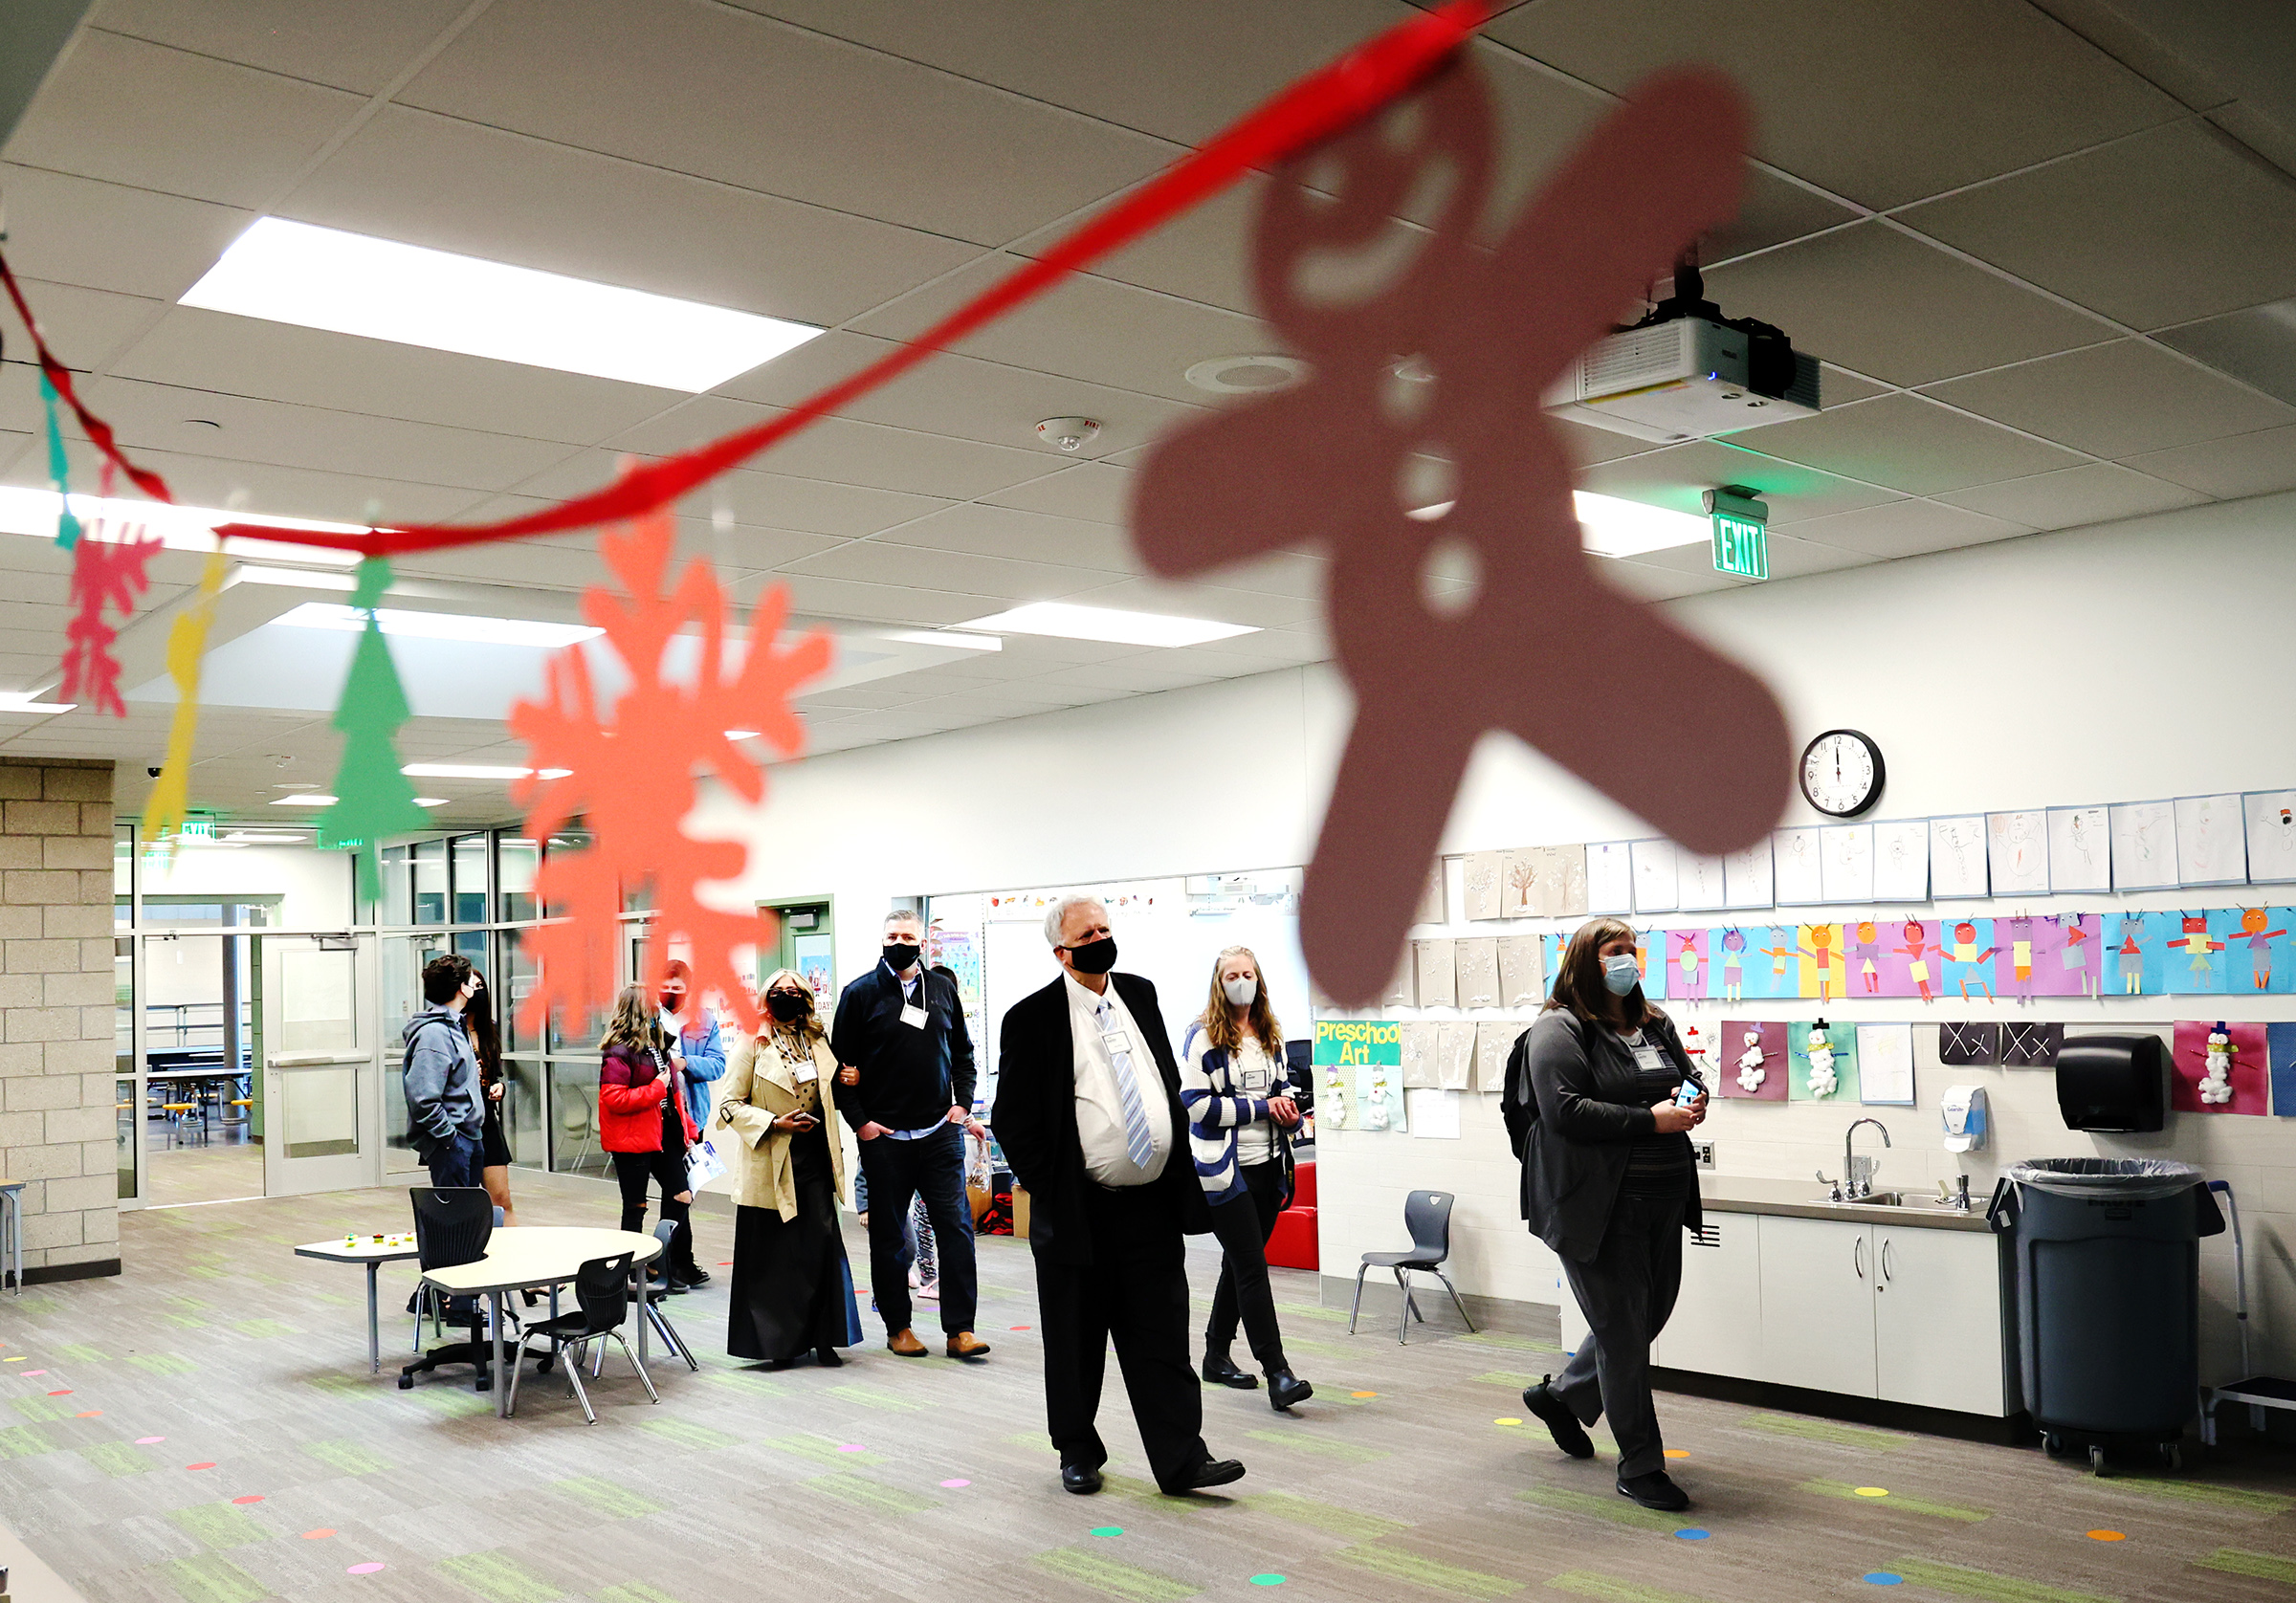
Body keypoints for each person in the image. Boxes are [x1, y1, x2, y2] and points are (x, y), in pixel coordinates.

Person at [992, 895, 1245, 1498]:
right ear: (1061, 951)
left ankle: (1181, 1459)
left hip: (1151, 1207)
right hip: (1080, 1210)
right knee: (1076, 1342)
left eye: (1107, 927)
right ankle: (1077, 1451)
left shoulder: (1141, 993)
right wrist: (1051, 1187)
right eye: (1088, 932)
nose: (1102, 938)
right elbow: (1013, 1120)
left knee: (1162, 1337)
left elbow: (1161, 1079)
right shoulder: (1031, 1018)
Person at [1508, 916, 1709, 1512]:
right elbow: (1565, 1110)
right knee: (1624, 1336)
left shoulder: (1655, 1023)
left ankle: (1562, 1396)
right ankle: (1641, 1466)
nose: (1628, 962)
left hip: (1661, 1196)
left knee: (1646, 1317)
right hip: (1594, 1205)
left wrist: (1694, 1100)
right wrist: (1653, 1120)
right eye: (1614, 952)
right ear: (1583, 962)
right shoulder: (1558, 1029)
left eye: (1632, 952)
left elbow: (1689, 1078)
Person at [831, 911, 989, 1361]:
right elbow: (839, 1069)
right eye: (891, 936)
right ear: (882, 941)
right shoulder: (859, 994)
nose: (899, 942)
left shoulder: (942, 990)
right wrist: (861, 1123)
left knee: (956, 1230)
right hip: (886, 1141)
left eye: (908, 937)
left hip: (940, 1133)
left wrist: (963, 1103)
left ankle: (961, 1329)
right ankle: (898, 1326)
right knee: (889, 1237)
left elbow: (963, 1051)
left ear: (922, 944)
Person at [1180, 946, 1312, 1411]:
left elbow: (1284, 1090)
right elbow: (1196, 1105)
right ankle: (1277, 1371)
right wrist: (1260, 1108)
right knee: (1253, 1267)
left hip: (1270, 1168)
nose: (1241, 981)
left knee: (1238, 1263)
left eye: (1248, 974)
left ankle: (1215, 1355)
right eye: (1232, 975)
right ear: (1219, 983)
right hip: (1223, 1172)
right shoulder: (1202, 1038)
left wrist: (1291, 1114)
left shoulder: (1270, 1032)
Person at [718, 969, 861, 1368]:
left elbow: (836, 1082)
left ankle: (824, 1337)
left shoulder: (816, 1038)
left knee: (821, 1248)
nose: (787, 997)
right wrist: (774, 1123)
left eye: (794, 991)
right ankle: (778, 1344)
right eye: (779, 992)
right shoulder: (752, 1041)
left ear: (807, 998)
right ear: (766, 998)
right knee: (775, 1256)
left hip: (815, 1156)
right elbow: (729, 1106)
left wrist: (852, 1078)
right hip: (771, 1157)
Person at [598, 984, 704, 1290]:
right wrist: (656, 1088)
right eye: (651, 1009)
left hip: (664, 1133)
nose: (658, 1012)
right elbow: (614, 1099)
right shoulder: (618, 1051)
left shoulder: (658, 1046)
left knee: (681, 1194)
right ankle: (625, 1273)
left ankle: (662, 1265)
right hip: (632, 1140)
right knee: (635, 1207)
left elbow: (674, 1094)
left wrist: (688, 1128)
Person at [404, 953, 485, 1190]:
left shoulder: (456, 1025)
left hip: (469, 1135)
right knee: (454, 1219)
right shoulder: (434, 1034)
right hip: (453, 1140)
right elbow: (423, 1099)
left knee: (469, 1215)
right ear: (462, 988)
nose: (476, 987)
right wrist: (450, 1138)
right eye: (472, 982)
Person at [659, 960, 728, 1230]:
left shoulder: (704, 1020)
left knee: (687, 1189)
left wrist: (686, 1063)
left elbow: (717, 1065)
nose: (671, 992)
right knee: (675, 1190)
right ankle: (668, 1259)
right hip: (659, 1118)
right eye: (665, 987)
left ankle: (677, 1259)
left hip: (692, 1118)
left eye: (677, 987)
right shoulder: (649, 1017)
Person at [465, 970, 517, 1227]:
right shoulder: (449, 1030)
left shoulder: (489, 1028)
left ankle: (513, 1253)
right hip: (460, 1121)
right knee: (465, 1201)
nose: (478, 990)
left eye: (481, 985)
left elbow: (495, 1073)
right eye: (472, 985)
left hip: (487, 1119)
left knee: (502, 1198)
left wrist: (499, 1086)